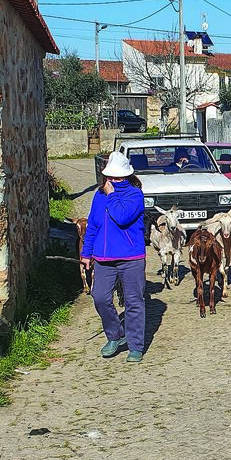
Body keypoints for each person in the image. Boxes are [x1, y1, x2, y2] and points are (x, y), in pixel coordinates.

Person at [80, 151, 146, 362]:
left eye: (117, 177)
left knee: (133, 302)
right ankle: (115, 335)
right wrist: (86, 253)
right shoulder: (99, 196)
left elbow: (121, 216)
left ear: (126, 176)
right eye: (110, 177)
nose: (112, 181)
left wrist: (111, 195)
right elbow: (93, 226)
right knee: (100, 297)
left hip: (131, 258)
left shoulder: (135, 195)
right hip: (103, 258)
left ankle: (135, 346)